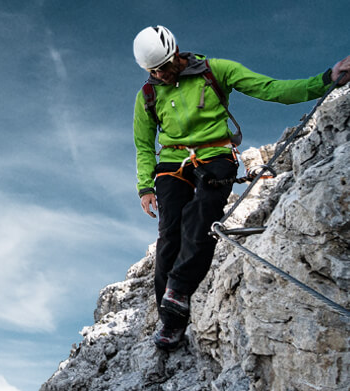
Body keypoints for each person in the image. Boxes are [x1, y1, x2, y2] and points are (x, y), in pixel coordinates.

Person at [132, 25, 350, 350]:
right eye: (153, 71)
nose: (160, 75)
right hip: (173, 162)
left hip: (216, 154)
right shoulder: (148, 95)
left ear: (176, 54)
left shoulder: (216, 71)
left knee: (202, 216)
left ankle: (178, 287)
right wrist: (145, 187)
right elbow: (143, 144)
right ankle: (171, 322)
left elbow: (271, 89)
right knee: (169, 235)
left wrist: (325, 79)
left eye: (164, 67)